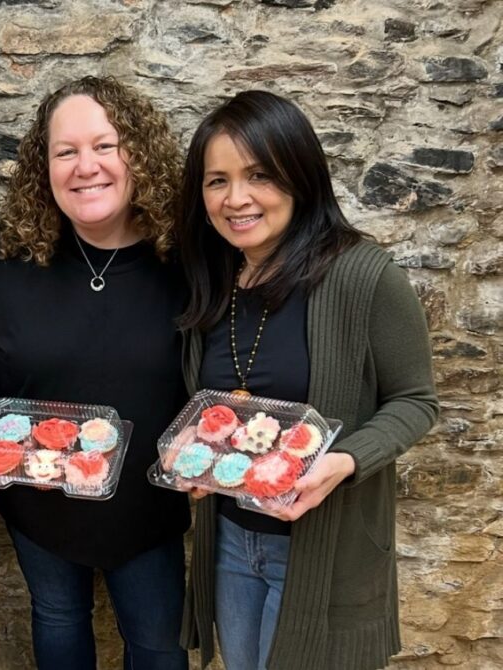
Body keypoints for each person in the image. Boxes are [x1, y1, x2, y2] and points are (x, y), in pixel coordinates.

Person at [174, 90, 439, 670]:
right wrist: (195, 452)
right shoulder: (213, 281)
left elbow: (415, 402)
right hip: (229, 545)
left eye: (259, 175)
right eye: (216, 180)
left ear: (300, 175)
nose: (235, 198)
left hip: (328, 547)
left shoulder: (364, 276)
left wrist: (342, 463)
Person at [0, 76, 190, 670]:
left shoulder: (186, 256)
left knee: (160, 647)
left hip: (148, 505)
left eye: (105, 145)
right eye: (66, 151)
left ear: (138, 152)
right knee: (58, 621)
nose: (87, 166)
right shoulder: (5, 254)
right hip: (40, 495)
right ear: (45, 166)